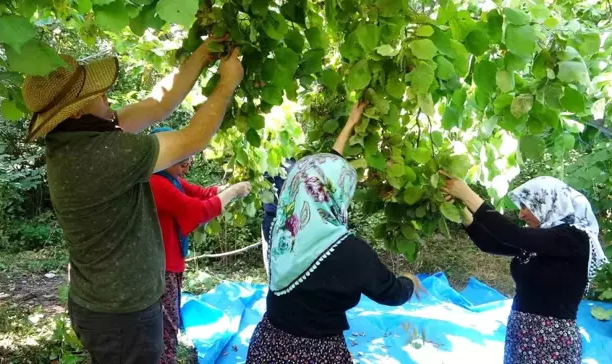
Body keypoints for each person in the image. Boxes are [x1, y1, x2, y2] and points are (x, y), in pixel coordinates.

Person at [22, 35, 243, 362]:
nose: (107, 95)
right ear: (77, 110)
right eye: (97, 93)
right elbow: (192, 139)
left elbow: (158, 104)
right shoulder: (102, 154)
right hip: (124, 318)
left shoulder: (76, 138)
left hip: (104, 308)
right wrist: (227, 84)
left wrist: (201, 55)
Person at [246, 102, 426, 363]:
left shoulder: (283, 234)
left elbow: (318, 175)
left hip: (269, 345)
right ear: (339, 195)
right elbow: (391, 293)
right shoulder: (351, 253)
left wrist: (350, 124)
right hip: (319, 354)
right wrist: (410, 281)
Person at [439, 173, 608, 364]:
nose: (521, 213)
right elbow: (490, 244)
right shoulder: (544, 239)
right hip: (521, 333)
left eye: (526, 206)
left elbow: (512, 234)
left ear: (548, 202)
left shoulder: (574, 238)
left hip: (550, 340)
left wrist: (467, 195)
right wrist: (461, 210)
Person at [149, 127, 251, 364]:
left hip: (169, 264)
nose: (185, 168)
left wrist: (223, 190)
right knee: (167, 325)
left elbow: (201, 193)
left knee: (169, 321)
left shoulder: (169, 178)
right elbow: (198, 210)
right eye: (181, 162)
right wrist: (232, 192)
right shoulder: (155, 183)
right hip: (160, 268)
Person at [259, 101, 367, 277]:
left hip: (300, 226)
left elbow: (333, 159)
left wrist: (351, 122)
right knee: (282, 276)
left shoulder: (297, 167)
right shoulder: (267, 163)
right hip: (277, 225)